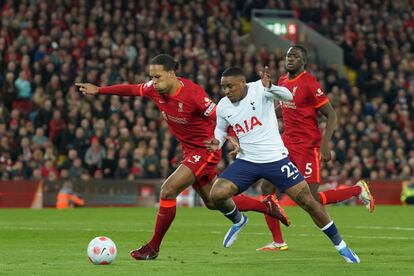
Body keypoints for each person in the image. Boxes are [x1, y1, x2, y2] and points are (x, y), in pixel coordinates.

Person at [75, 54, 288, 261]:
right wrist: (99, 90)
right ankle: (264, 207)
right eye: (151, 76)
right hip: (189, 150)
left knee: (168, 190)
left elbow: (220, 115)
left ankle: (153, 248)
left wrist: (233, 137)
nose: (153, 81)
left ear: (172, 74)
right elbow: (131, 89)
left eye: (158, 77)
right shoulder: (153, 89)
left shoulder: (193, 94)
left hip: (205, 150)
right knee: (213, 201)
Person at [205, 67, 360, 263]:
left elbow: (287, 96)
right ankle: (238, 220)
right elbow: (220, 129)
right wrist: (216, 142)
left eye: (230, 86)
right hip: (247, 161)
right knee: (216, 194)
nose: (226, 91)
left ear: (242, 83)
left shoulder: (259, 88)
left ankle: (342, 247)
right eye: (223, 87)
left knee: (309, 202)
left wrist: (270, 86)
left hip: (276, 160)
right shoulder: (224, 105)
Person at [256, 45, 375, 251]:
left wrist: (325, 143)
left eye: (295, 56)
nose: (290, 58)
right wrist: (261, 117)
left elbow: (332, 115)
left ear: (304, 62)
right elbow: (284, 109)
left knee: (311, 201)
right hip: (285, 144)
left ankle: (357, 190)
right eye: (288, 55)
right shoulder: (283, 81)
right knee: (266, 188)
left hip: (307, 147)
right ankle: (278, 241)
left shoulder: (310, 83)